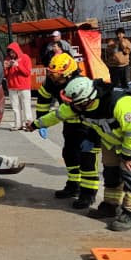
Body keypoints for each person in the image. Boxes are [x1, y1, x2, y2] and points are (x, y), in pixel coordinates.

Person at [27, 76, 131, 231]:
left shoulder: (119, 103)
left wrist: (128, 155)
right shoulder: (78, 105)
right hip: (111, 140)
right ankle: (110, 206)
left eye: (74, 103)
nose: (71, 106)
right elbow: (57, 115)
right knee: (111, 173)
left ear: (86, 100)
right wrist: (36, 124)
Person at [34, 53, 100, 208]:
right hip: (70, 125)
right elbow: (43, 99)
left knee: (87, 161)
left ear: (69, 74)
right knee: (69, 155)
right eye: (51, 74)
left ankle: (88, 194)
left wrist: (92, 136)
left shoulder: (80, 84)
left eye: (57, 76)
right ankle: (73, 185)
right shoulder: (52, 82)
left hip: (88, 126)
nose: (53, 78)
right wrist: (41, 120)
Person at [4, 41, 33, 131]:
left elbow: (27, 72)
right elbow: (6, 75)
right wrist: (5, 67)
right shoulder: (8, 59)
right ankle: (18, 124)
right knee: (15, 107)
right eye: (10, 52)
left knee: (26, 106)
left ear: (17, 50)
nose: (11, 54)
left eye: (13, 52)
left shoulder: (25, 57)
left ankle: (27, 124)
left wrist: (18, 65)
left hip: (24, 87)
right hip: (12, 87)